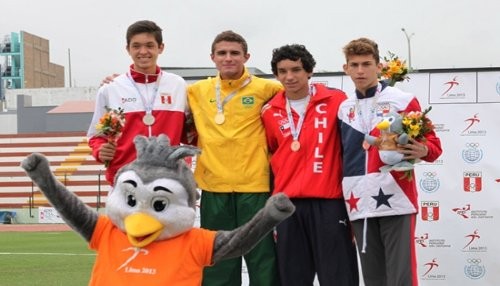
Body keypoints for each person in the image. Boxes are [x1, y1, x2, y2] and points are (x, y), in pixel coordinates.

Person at [338, 37, 442, 286]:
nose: (360, 71)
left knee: (401, 277)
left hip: (396, 197)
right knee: (373, 277)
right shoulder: (343, 108)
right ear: (346, 69)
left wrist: (421, 149)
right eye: (354, 65)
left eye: (366, 64)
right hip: (358, 199)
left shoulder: (402, 100)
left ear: (378, 66)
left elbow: (434, 146)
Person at [187, 31, 283, 286]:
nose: (228, 58)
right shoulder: (196, 91)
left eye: (234, 53)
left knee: (262, 258)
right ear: (213, 57)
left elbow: (302, 94)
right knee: (219, 260)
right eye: (222, 53)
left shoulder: (269, 88)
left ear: (246, 57)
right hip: (214, 187)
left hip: (255, 187)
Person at [260, 44, 359, 286]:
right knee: (293, 277)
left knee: (338, 277)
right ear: (276, 75)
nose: (289, 77)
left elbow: (351, 148)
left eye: (296, 69)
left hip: (329, 203)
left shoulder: (337, 100)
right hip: (288, 206)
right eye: (282, 71)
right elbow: (274, 154)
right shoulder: (269, 111)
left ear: (310, 71)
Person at [87, 20, 188, 185]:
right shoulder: (111, 88)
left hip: (168, 180)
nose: (143, 52)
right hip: (124, 179)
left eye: (149, 45)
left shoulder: (178, 85)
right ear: (128, 49)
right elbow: (95, 136)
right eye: (136, 46)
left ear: (160, 47)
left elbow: (190, 131)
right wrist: (100, 150)